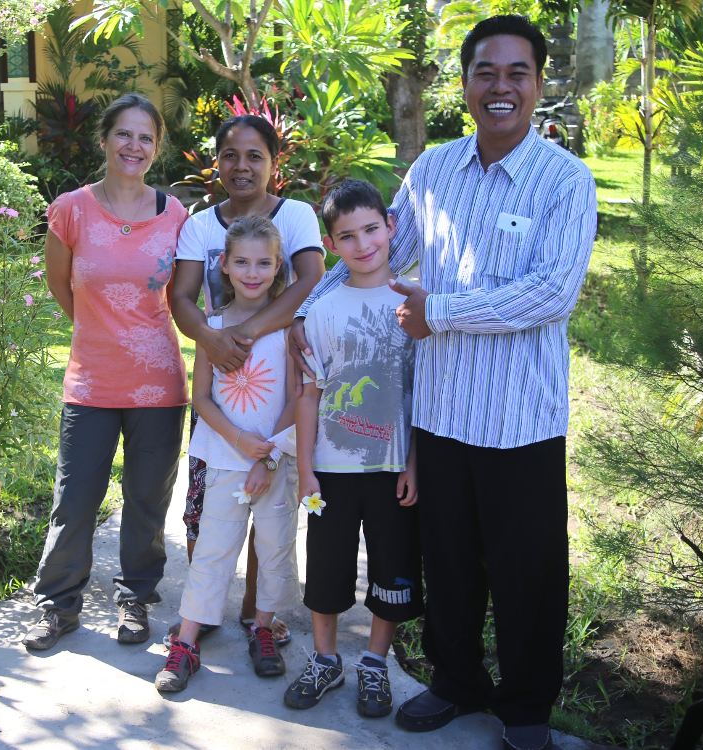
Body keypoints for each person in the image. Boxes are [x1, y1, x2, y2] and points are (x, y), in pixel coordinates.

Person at [291, 16, 596, 750]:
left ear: (536, 84)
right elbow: (378, 253)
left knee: (526, 573)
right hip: (437, 411)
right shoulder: (432, 169)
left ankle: (524, 709)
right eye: (484, 73)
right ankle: (456, 682)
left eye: (515, 73)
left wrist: (442, 311)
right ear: (463, 84)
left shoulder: (565, 180)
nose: (500, 87)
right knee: (450, 564)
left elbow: (551, 292)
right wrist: (309, 307)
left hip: (518, 417)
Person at [24, 94, 190, 652]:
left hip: (160, 383)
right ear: (104, 140)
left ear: (156, 147)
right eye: (124, 134)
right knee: (74, 499)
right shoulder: (71, 208)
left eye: (146, 138)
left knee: (147, 498)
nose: (134, 146)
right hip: (92, 379)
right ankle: (58, 606)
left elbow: (186, 294)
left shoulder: (175, 215)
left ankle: (135, 598)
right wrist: (99, 332)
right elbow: (60, 284)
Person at [171, 114, 326, 643]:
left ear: (273, 163)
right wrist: (212, 339)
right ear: (217, 161)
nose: (242, 166)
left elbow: (310, 280)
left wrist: (248, 331)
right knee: (206, 514)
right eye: (231, 155)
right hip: (221, 377)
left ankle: (260, 618)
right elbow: (182, 297)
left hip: (267, 362)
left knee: (273, 525)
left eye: (255, 155)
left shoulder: (298, 215)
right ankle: (205, 610)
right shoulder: (199, 224)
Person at [281, 180, 423, 718]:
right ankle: (324, 660)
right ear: (331, 243)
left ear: (391, 227)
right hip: (332, 471)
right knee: (326, 568)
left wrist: (414, 462)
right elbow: (308, 393)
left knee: (392, 567)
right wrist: (307, 468)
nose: (363, 244)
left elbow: (423, 396)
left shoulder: (415, 304)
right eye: (348, 236)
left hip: (393, 470)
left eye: (371, 229)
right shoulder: (321, 310)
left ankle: (373, 662)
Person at [154, 215, 300, 693]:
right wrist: (239, 442)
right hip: (222, 459)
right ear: (225, 265)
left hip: (274, 464)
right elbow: (201, 399)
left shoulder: (289, 329)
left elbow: (300, 398)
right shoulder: (212, 328)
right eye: (242, 262)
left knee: (275, 547)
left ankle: (263, 628)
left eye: (263, 262)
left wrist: (268, 458)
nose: (253, 272)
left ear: (278, 265)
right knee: (213, 551)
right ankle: (188, 641)